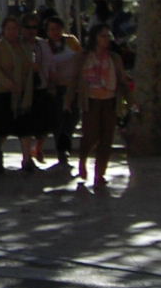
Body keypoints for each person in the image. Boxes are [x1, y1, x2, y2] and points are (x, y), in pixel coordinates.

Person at [0, 16, 44, 172]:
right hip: (4, 94)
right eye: (9, 29)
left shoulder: (24, 47)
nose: (12, 32)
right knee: (2, 130)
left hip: (23, 95)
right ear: (4, 30)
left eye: (15, 28)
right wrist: (9, 84)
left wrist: (33, 70)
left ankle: (27, 160)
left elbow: (28, 65)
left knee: (25, 128)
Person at [73, 25, 126, 188]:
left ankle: (99, 174)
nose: (106, 39)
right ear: (95, 38)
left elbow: (122, 80)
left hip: (110, 101)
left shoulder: (114, 58)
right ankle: (82, 160)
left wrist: (130, 101)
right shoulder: (84, 57)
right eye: (103, 36)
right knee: (91, 135)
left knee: (107, 138)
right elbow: (74, 79)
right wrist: (69, 101)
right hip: (91, 101)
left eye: (108, 36)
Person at [34, 15, 81, 169]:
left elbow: (81, 57)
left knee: (73, 118)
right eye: (52, 29)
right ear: (47, 31)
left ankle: (64, 144)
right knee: (58, 120)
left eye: (58, 29)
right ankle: (62, 151)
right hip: (55, 88)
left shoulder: (71, 41)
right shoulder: (43, 46)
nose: (55, 32)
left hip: (73, 87)